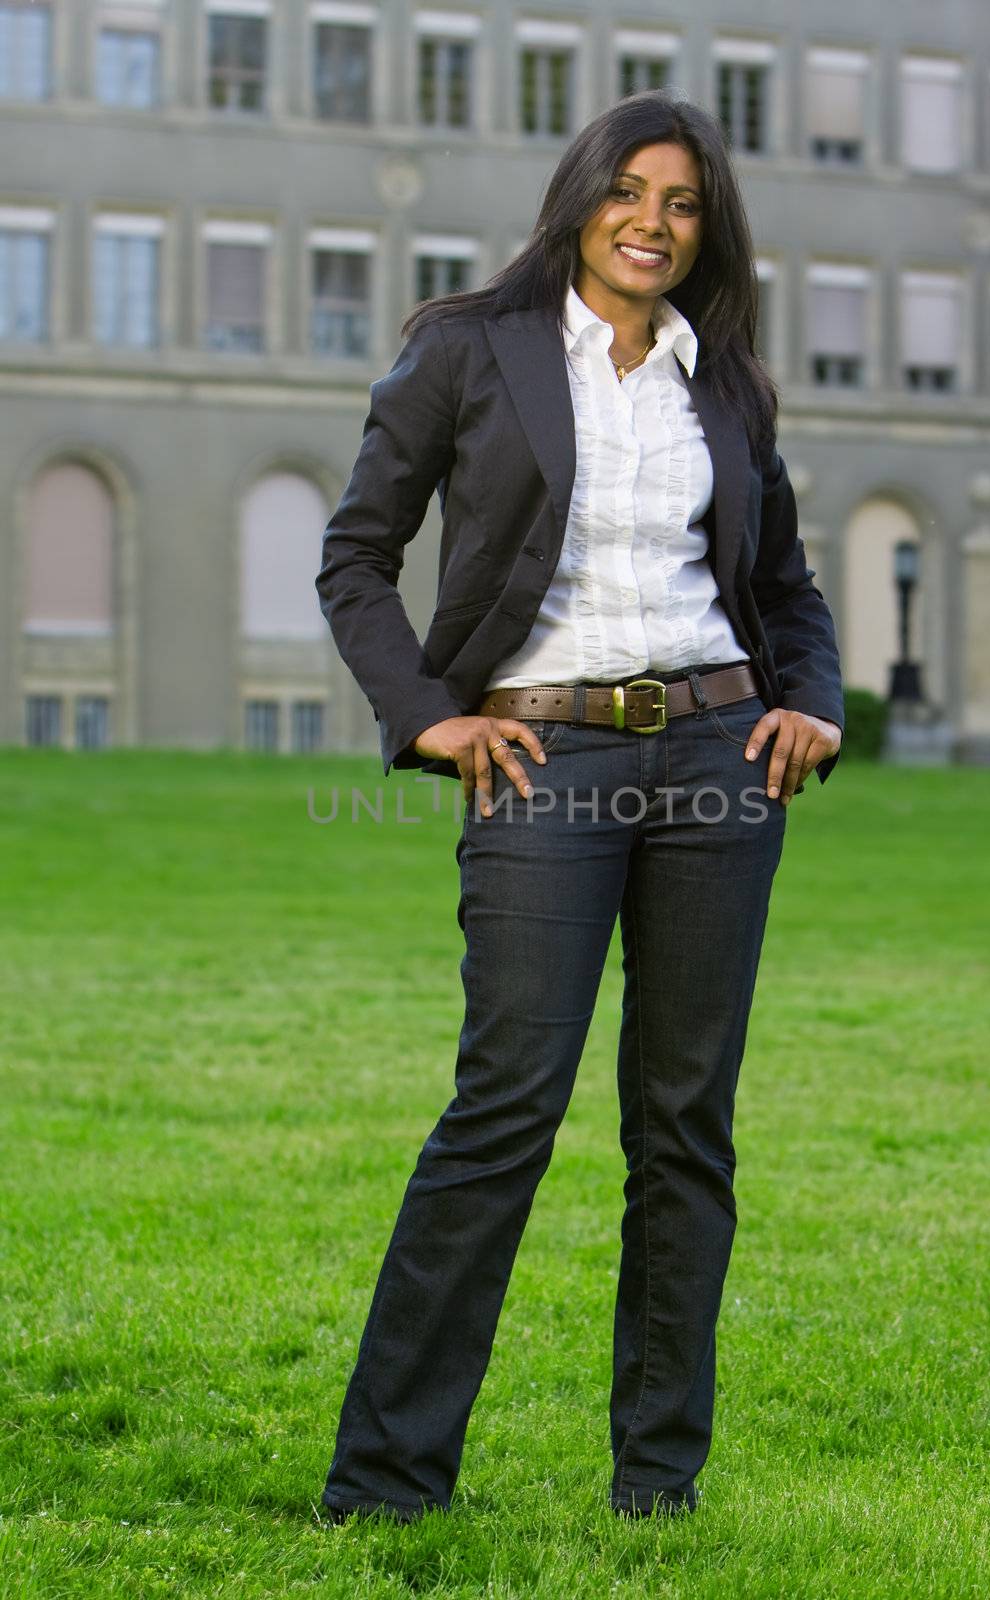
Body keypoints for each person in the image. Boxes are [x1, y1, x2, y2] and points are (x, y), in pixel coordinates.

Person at [315, 89, 844, 1526]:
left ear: (705, 227)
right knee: (504, 1108)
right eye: (630, 191)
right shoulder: (470, 350)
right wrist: (430, 717)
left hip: (719, 759)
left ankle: (658, 1484)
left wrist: (814, 705)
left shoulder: (722, 383)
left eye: (681, 203)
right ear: (580, 196)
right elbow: (357, 556)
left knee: (685, 1126)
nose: (652, 223)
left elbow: (785, 589)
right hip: (541, 760)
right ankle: (386, 1485)